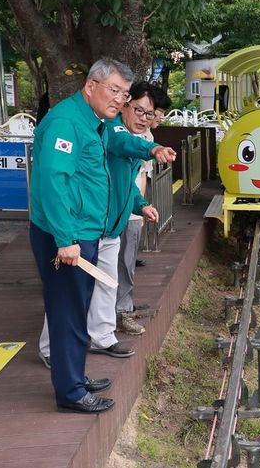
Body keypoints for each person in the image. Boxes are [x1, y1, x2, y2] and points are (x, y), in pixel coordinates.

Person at [29, 58, 175, 414]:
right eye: (115, 91)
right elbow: (53, 181)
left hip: (84, 232)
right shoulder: (67, 122)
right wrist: (65, 239)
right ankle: (71, 392)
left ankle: (74, 377)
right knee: (67, 313)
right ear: (90, 85)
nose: (119, 100)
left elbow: (115, 159)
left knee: (77, 311)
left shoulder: (95, 122)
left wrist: (149, 159)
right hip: (68, 236)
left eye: (124, 93)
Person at [116, 85, 173, 335]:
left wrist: (142, 205)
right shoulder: (112, 131)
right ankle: (111, 317)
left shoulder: (147, 136)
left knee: (125, 263)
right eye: (140, 111)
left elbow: (141, 178)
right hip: (109, 213)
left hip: (132, 210)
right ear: (125, 104)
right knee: (109, 266)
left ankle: (121, 311)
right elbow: (126, 145)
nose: (146, 119)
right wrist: (154, 150)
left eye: (150, 114)